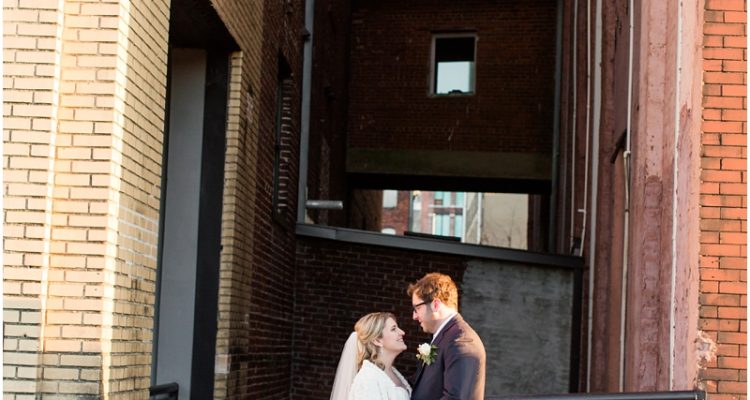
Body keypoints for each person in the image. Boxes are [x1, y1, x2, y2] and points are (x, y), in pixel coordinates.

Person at [408, 272, 486, 400]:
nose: (414, 316)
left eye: (417, 308)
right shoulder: (445, 336)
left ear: (436, 305)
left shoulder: (461, 341)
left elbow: (455, 398)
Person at [330, 312, 412, 400]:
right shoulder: (367, 379)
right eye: (393, 329)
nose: (402, 332)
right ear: (377, 340)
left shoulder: (392, 373)